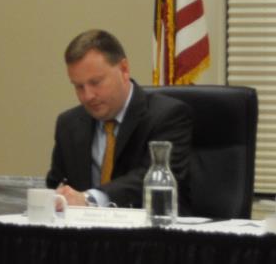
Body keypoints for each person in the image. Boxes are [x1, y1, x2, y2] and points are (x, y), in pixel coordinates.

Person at [47, 29, 194, 209]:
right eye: (79, 87)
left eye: (95, 83)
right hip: (83, 233)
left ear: (124, 70)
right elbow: (56, 185)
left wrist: (91, 199)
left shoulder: (167, 115)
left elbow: (152, 178)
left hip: (149, 231)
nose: (88, 96)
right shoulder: (68, 124)